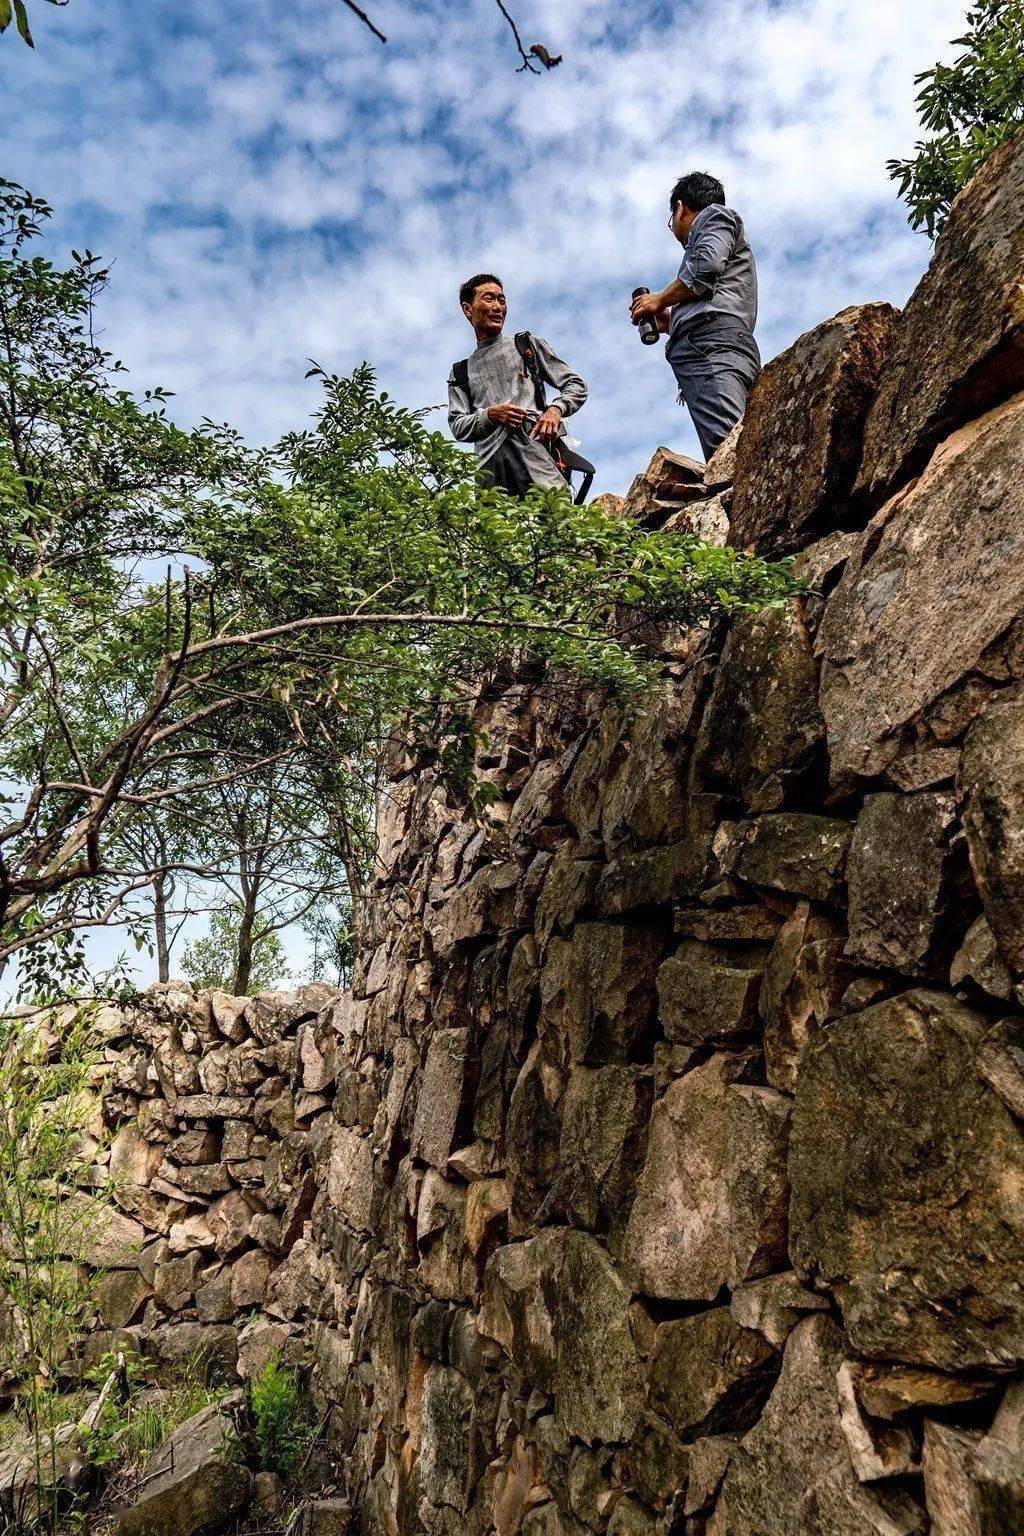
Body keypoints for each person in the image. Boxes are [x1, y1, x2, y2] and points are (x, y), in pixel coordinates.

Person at [630, 172, 760, 460]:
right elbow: (709, 283)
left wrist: (660, 299)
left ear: (680, 208)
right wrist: (672, 320)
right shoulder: (721, 227)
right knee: (740, 439)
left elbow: (706, 267)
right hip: (720, 340)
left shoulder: (713, 217)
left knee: (729, 453)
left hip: (709, 343)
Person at [448, 273, 589, 497]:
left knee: (558, 518)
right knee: (497, 531)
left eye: (501, 300)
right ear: (468, 308)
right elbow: (458, 425)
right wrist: (490, 415)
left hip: (534, 452)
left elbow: (576, 384)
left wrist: (555, 409)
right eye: (489, 299)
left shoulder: (526, 345)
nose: (497, 307)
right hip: (489, 469)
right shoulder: (460, 372)